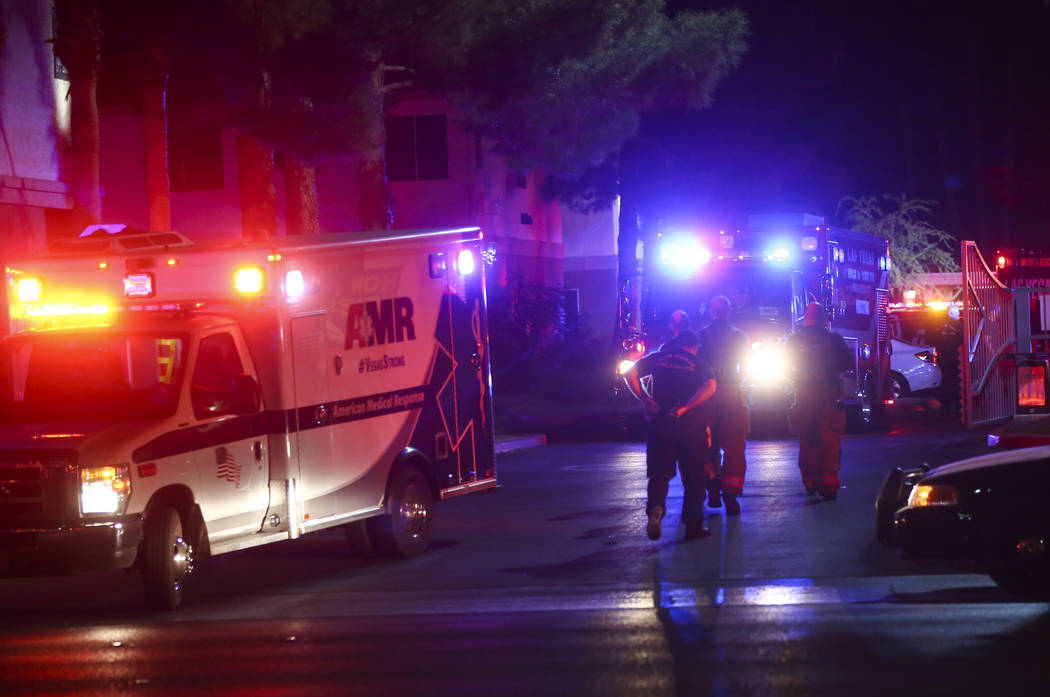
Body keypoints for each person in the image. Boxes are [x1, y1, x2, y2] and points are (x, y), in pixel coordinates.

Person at [623, 329, 717, 541]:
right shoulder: (699, 363)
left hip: (660, 423)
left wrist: (645, 399)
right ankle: (693, 526)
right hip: (690, 426)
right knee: (694, 477)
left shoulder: (658, 358)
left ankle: (656, 509)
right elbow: (710, 386)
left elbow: (630, 374)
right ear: (694, 346)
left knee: (659, 473)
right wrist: (687, 407)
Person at [785, 302, 854, 501]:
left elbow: (784, 367)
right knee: (829, 439)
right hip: (828, 395)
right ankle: (829, 485)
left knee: (807, 439)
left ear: (806, 318)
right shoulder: (833, 339)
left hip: (804, 395)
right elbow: (848, 364)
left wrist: (799, 377)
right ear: (823, 319)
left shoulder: (795, 340)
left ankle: (810, 482)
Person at [698, 295, 750, 515]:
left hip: (707, 397)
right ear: (729, 311)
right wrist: (735, 381)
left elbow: (695, 369)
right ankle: (730, 497)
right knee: (734, 446)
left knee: (707, 445)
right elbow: (747, 368)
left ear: (711, 311)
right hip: (731, 396)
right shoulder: (739, 337)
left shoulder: (700, 336)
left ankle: (712, 489)